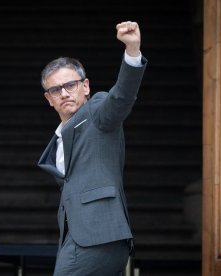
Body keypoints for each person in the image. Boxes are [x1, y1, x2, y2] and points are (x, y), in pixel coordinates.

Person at [38, 20, 147, 275]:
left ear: (85, 86)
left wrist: (132, 51)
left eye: (71, 85)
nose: (64, 93)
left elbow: (121, 96)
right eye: (56, 89)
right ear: (49, 99)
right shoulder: (59, 139)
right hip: (77, 239)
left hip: (98, 236)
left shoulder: (97, 111)